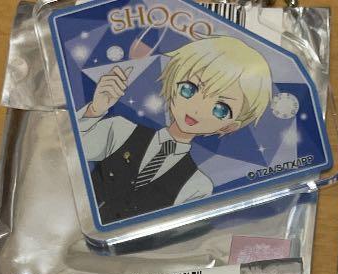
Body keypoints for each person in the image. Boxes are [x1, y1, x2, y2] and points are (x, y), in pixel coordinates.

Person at [77, 36, 273, 222]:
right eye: (189, 89)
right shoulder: (120, 130)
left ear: (229, 126)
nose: (197, 109)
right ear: (172, 84)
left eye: (220, 109)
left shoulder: (197, 186)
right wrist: (95, 109)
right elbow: (72, 154)